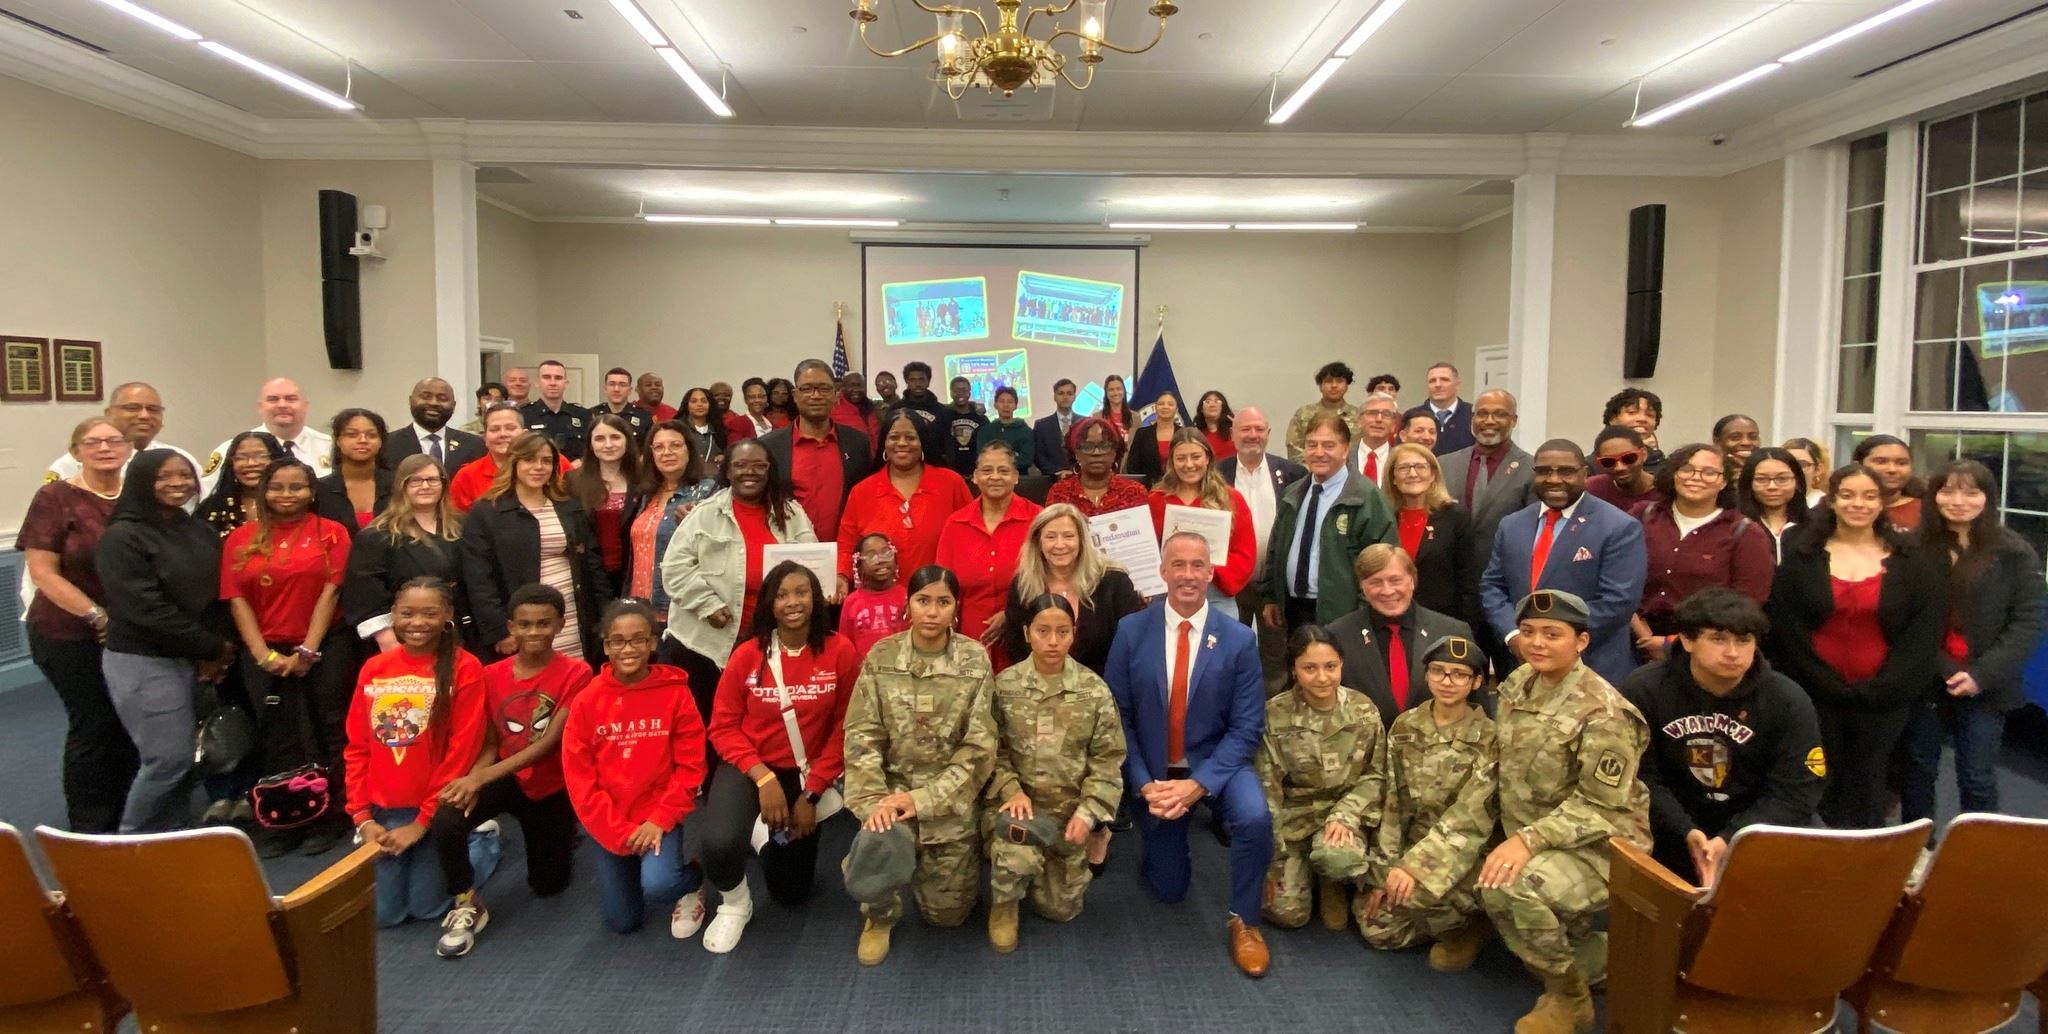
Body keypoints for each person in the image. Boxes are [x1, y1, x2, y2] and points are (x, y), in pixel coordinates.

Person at [1479, 590, 1651, 1034]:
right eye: (1530, 632)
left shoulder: (1606, 713)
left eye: (1553, 634)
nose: (1537, 643)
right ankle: (1611, 956)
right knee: (1485, 878)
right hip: (1545, 835)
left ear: (1581, 642)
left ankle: (1569, 997)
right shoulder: (1518, 684)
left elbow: (1598, 806)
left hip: (1606, 844)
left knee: (1509, 886)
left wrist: (1525, 841)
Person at [1105, 533, 1274, 977]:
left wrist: (1199, 784)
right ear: (1162, 571)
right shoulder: (1130, 630)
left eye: (1197, 565)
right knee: (1168, 889)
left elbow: (1247, 726)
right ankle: (1159, 837)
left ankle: (1246, 920)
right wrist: (1142, 783)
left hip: (1216, 763)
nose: (1187, 575)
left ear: (1210, 573)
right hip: (1155, 771)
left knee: (1255, 817)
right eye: (1177, 565)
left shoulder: (1237, 640)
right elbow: (1117, 716)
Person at [1765, 464, 1942, 829]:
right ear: (1832, 501)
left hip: (1885, 699)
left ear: (1882, 503)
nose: (1857, 504)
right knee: (1814, 782)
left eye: (1868, 496)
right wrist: (1825, 684)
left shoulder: (1913, 559)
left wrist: (1882, 689)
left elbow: (1922, 635)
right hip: (1814, 693)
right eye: (1847, 495)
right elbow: (1787, 628)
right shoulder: (1802, 555)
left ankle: (1864, 867)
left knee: (1870, 784)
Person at [700, 562, 859, 953]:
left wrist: (813, 794)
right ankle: (736, 905)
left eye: (802, 592)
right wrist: (763, 779)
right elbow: (722, 727)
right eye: (783, 594)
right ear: (769, 603)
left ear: (815, 597)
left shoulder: (840, 650)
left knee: (791, 893)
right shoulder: (747, 655)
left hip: (808, 772)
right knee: (718, 844)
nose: (793, 602)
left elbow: (846, 728)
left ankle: (764, 837)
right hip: (750, 766)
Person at [843, 566, 997, 965]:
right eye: (923, 600)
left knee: (948, 917)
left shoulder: (974, 659)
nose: (932, 612)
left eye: (943, 602)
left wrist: (925, 798)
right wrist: (876, 804)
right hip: (888, 797)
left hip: (946, 801)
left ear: (956, 609)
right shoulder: (883, 656)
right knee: (877, 847)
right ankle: (879, 915)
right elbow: (862, 734)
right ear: (908, 605)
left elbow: (979, 749)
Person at [1621, 588, 1824, 887]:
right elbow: (1640, 776)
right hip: (1667, 825)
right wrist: (1685, 831)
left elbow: (1795, 791)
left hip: (1758, 827)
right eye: (1718, 639)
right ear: (1688, 640)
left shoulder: (1788, 700)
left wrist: (1732, 838)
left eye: (1744, 641)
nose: (1733, 653)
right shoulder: (1644, 690)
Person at [430, 583, 591, 958]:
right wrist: (474, 779)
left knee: (549, 885)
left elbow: (548, 743)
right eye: (525, 624)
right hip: (503, 777)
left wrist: (480, 776)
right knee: (448, 817)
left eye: (543, 624)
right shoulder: (490, 675)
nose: (534, 632)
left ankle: (562, 830)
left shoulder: (578, 673)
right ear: (511, 627)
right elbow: (490, 743)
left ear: (560, 625)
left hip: (551, 786)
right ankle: (466, 899)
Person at [1901, 459, 2046, 828]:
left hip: (1988, 684)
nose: (1958, 500)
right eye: (1947, 490)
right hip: (1924, 678)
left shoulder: (2014, 552)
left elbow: (2028, 620)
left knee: (1977, 776)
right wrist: (1946, 668)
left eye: (1971, 491)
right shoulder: (1911, 547)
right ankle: (1916, 852)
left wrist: (1980, 675)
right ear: (1933, 496)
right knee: (1917, 772)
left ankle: (1974, 859)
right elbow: (1901, 617)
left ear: (1988, 497)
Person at [222, 457, 354, 857]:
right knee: (276, 734)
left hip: (325, 644)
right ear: (264, 491)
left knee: (328, 729)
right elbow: (236, 599)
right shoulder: (240, 538)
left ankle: (330, 816)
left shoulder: (332, 533)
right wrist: (263, 655)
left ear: (312, 492)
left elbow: (331, 593)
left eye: (296, 487)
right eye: (277, 487)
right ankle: (283, 816)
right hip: (263, 651)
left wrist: (307, 651)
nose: (286, 494)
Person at [344, 578, 493, 929]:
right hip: (384, 810)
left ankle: (482, 840)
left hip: (432, 807)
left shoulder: (465, 666)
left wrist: (423, 821)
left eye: (429, 613)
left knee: (427, 908)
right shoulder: (374, 668)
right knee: (387, 915)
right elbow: (357, 746)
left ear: (448, 615)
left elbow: (462, 750)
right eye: (407, 613)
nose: (417, 622)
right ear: (393, 614)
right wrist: (362, 818)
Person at [96, 448, 230, 834]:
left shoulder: (196, 528)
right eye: (164, 477)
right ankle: (130, 841)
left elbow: (216, 593)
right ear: (142, 482)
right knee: (167, 760)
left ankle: (171, 839)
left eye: (184, 476)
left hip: (194, 657)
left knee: (190, 759)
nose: (177, 484)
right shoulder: (122, 537)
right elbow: (143, 609)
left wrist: (213, 648)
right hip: (144, 660)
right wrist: (210, 647)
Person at [984, 594, 1126, 951]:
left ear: (1073, 634)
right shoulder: (1004, 686)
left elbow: (1108, 759)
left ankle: (1044, 868)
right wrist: (1010, 789)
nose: (1052, 640)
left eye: (1062, 632)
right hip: (1020, 807)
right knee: (1016, 852)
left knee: (1061, 910)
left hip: (1068, 815)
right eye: (1043, 631)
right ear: (1027, 632)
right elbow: (990, 752)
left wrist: (1089, 812)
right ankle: (1004, 905)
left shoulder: (1093, 690)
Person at [561, 600, 710, 936]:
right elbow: (579, 779)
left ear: (653, 643)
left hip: (658, 815)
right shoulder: (588, 700)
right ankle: (635, 864)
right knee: (623, 922)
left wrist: (659, 820)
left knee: (659, 886)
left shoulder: (675, 692)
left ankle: (692, 878)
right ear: (606, 646)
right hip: (610, 820)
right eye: (618, 641)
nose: (628, 649)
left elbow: (691, 767)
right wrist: (618, 832)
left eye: (638, 639)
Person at [18, 418, 135, 833]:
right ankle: (90, 827)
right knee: (95, 724)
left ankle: (129, 818)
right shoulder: (56, 498)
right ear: (76, 450)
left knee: (129, 723)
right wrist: (96, 615)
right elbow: (43, 572)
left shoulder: (136, 497)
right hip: (68, 633)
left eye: (113, 441)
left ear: (127, 448)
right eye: (93, 442)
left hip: (130, 634)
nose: (105, 448)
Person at [1359, 634, 1497, 969]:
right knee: (1378, 929)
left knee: (1414, 895)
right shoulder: (1406, 726)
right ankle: (1441, 917)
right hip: (1413, 842)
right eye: (1438, 671)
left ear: (1477, 681)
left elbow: (1470, 819)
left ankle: (1472, 926)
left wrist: (1413, 869)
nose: (1446, 681)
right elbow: (1391, 802)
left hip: (1463, 852)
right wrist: (1386, 869)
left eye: (1459, 674)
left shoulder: (1491, 738)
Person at [662, 439, 819, 721]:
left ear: (771, 470)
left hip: (769, 638)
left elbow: (812, 568)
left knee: (759, 719)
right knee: (704, 719)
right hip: (706, 643)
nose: (751, 472)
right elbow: (675, 568)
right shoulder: (703, 514)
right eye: (741, 465)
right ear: (727, 470)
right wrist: (706, 604)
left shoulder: (792, 514)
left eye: (760, 466)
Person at [1479, 439, 1648, 686]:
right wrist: (1515, 635)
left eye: (1566, 471)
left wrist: (1552, 639)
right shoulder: (1512, 524)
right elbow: (1493, 586)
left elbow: (1618, 601)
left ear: (1585, 473)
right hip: (1524, 667)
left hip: (1592, 670)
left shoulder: (1619, 527)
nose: (1554, 479)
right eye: (1544, 471)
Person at [1255, 625, 1385, 932]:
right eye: (1309, 668)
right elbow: (1267, 790)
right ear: (1294, 669)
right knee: (1287, 913)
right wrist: (1269, 862)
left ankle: (1332, 879)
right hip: (1294, 819)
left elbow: (1377, 773)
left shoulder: (1362, 709)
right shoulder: (1275, 714)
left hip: (1341, 817)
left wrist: (1346, 814)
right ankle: (1305, 872)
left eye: (1330, 666)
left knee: (1337, 859)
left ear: (1342, 663)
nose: (1322, 677)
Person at [462, 432, 612, 663]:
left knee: (574, 679)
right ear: (514, 463)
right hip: (523, 625)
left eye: (546, 461)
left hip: (572, 617)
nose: (538, 467)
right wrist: (499, 630)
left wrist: (605, 618)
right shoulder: (487, 512)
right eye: (529, 460)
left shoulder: (569, 506)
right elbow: (479, 579)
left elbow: (593, 566)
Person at [1629, 444, 1776, 662]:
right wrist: (1643, 635)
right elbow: (1617, 579)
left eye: (1709, 473)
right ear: (1674, 474)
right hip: (1631, 639)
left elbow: (1748, 603)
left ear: (1723, 481)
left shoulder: (1745, 533)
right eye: (1687, 469)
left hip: (1707, 646)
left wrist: (1673, 643)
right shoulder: (1643, 515)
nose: (1696, 478)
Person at [1261, 413, 1399, 630]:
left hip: (1343, 614)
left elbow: (1382, 562)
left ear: (1346, 449)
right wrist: (1270, 596)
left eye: (1328, 445)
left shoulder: (1367, 497)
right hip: (1293, 609)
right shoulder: (1292, 494)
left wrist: (1365, 612)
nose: (1318, 453)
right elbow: (1275, 548)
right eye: (1311, 445)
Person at [1328, 544, 1476, 725]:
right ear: (1362, 587)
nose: (1387, 591)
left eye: (1395, 580)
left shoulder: (1453, 632)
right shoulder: (1338, 635)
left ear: (1412, 581)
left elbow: (1476, 710)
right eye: (1375, 582)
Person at [1218, 407, 1307, 688]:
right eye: (1245, 429)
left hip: (1276, 584)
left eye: (1259, 429)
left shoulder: (1293, 473)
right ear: (1232, 435)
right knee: (1227, 652)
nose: (1252, 435)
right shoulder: (1216, 474)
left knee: (1276, 657)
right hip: (1230, 583)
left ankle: (1272, 716)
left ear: (1268, 434)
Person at [837, 409, 972, 590]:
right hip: (880, 604)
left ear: (922, 442)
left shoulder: (951, 483)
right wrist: (842, 576)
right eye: (894, 438)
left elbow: (972, 535)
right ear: (883, 443)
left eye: (910, 437)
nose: (902, 443)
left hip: (939, 599)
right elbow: (846, 545)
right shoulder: (861, 491)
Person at [345, 455, 466, 655]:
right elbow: (365, 596)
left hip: (457, 635)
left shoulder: (463, 527)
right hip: (401, 640)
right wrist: (391, 646)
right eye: (415, 481)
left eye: (432, 480)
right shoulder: (377, 536)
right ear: (402, 486)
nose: (425, 486)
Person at [936, 441, 1042, 649]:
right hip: (968, 640)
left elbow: (1051, 578)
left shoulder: (1037, 518)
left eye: (1003, 471)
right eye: (987, 470)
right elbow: (942, 585)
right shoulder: (955, 524)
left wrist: (1012, 614)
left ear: (1016, 477)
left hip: (1025, 634)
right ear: (975, 477)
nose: (994, 477)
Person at [619, 421, 719, 637]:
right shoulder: (645, 494)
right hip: (640, 608)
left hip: (682, 609)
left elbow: (716, 551)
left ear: (689, 450)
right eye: (659, 447)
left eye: (675, 445)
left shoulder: (708, 492)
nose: (667, 453)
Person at [758, 359, 873, 543]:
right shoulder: (770, 446)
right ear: (795, 395)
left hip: (845, 552)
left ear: (836, 395)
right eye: (807, 388)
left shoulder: (857, 443)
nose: (816, 395)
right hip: (787, 552)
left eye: (824, 388)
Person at [1148, 428, 1258, 614]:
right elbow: (1147, 550)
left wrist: (1207, 565)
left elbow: (1245, 553)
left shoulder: (1230, 499)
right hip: (1167, 596)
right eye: (1181, 458)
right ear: (1171, 463)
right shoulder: (1156, 500)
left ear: (1207, 458)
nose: (1189, 464)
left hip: (1215, 594)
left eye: (1196, 456)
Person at [1383, 443, 1480, 625]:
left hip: (1442, 622)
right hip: (1391, 619)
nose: (1412, 474)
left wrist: (1467, 630)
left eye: (1420, 467)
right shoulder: (1384, 517)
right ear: (1393, 477)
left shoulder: (1455, 517)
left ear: (1433, 475)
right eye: (1404, 468)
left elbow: (1467, 583)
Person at [1436, 388, 1535, 552]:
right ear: (1472, 418)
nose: (1489, 421)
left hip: (1502, 568)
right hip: (1451, 569)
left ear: (1514, 420)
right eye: (1482, 414)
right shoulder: (1445, 464)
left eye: (1500, 414)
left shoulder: (1530, 469)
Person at [43, 381, 198, 482]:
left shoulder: (180, 458)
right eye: (132, 408)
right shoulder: (78, 460)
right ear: (109, 414)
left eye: (153, 409)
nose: (144, 415)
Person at [565, 414, 648, 596]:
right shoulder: (573, 481)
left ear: (627, 440)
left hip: (635, 573)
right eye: (600, 439)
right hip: (590, 577)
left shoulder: (644, 480)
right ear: (590, 444)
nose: (608, 445)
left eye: (615, 437)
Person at [204, 376, 333, 491]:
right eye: (273, 399)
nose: (282, 405)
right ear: (259, 407)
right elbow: (208, 492)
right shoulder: (232, 449)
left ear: (306, 406)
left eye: (291, 399)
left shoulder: (329, 446)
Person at [449, 402, 568, 514]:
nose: (503, 434)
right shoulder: (467, 476)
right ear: (484, 438)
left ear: (525, 433)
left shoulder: (554, 462)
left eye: (510, 428)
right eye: (495, 429)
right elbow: (457, 524)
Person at [1044, 416, 1149, 517]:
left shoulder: (1134, 491)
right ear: (1076, 453)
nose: (1096, 453)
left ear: (1115, 453)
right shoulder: (1060, 493)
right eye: (1087, 446)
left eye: (1104, 446)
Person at [384, 377, 485, 478]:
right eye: (426, 397)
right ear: (410, 401)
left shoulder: (474, 445)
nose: (433, 403)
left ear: (454, 405)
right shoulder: (387, 444)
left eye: (442, 399)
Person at [314, 408, 393, 536]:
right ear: (338, 440)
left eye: (371, 435)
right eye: (352, 435)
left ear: (381, 442)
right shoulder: (321, 490)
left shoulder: (398, 485)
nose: (363, 440)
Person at [197, 431, 285, 539]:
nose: (251, 463)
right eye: (240, 458)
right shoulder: (212, 508)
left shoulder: (295, 504)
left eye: (260, 456)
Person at [839, 533, 906, 660]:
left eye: (886, 553)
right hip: (864, 676)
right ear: (859, 566)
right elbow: (846, 646)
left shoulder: (906, 596)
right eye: (871, 556)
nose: (880, 560)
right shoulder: (851, 602)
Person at [1737, 447, 1810, 560]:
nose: (1772, 487)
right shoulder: (1736, 527)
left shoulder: (1813, 525)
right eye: (1761, 479)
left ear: (1797, 482)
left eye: (1782, 479)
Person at [1286, 361, 1362, 462]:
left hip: (1350, 473)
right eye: (1328, 381)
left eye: (1339, 381)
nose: (1334, 385)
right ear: (1320, 386)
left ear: (1347, 385)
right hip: (1311, 473)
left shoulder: (1359, 415)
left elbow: (1364, 450)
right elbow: (1294, 449)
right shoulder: (1304, 414)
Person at [521, 360, 593, 462]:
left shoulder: (583, 415)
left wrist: (582, 461)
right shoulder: (523, 415)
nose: (553, 383)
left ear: (566, 383)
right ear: (537, 383)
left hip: (574, 475)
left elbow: (593, 448)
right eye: (546, 377)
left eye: (558, 378)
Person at [1583, 426, 1663, 515]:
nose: (1620, 468)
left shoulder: (1667, 491)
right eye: (1608, 462)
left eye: (1628, 458)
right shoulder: (1593, 489)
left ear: (1644, 454)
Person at [1852, 434, 1922, 530]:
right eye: (1881, 462)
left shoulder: (1927, 511)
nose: (1892, 469)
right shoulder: (1838, 507)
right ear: (1857, 465)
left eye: (1901, 463)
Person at [1403, 363, 1474, 456]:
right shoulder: (1413, 416)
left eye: (1444, 380)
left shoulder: (1473, 414)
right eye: (1432, 381)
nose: (1438, 385)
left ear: (1457, 385)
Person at [974, 385, 1036, 474]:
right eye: (1002, 401)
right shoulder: (985, 431)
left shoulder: (1025, 431)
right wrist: (1013, 454)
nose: (1006, 405)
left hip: (1020, 478)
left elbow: (1026, 460)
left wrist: (996, 458)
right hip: (991, 477)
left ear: (1015, 406)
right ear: (995, 405)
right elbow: (982, 457)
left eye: (1010, 402)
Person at [1031, 377, 1081, 475]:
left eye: (1069, 393)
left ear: (1074, 397)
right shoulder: (1042, 426)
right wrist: (1056, 473)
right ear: (1054, 396)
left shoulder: (1085, 423)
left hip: (1080, 477)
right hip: (1051, 479)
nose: (1065, 397)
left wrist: (1075, 472)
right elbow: (1038, 456)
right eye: (1061, 393)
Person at [943, 377, 990, 479]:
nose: (960, 393)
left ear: (969, 392)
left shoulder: (981, 418)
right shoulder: (944, 416)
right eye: (956, 390)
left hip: (977, 473)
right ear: (951, 393)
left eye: (964, 390)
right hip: (952, 472)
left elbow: (988, 445)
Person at [1347, 392, 1400, 482]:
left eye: (1386, 414)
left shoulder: (1400, 459)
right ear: (1359, 421)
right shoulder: (1343, 457)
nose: (1379, 419)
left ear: (1394, 425)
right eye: (1372, 413)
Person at [1603, 387, 1664, 463]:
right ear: (1613, 418)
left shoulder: (1665, 466)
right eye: (1632, 412)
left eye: (1650, 415)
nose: (1642, 419)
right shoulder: (1592, 466)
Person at [594, 367, 654, 440]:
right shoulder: (592, 414)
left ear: (629, 390)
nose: (616, 389)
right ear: (605, 389)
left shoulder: (644, 417)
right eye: (612, 384)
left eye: (622, 385)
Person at [679, 387, 729, 472]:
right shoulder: (679, 429)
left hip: (712, 479)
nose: (699, 404)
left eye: (704, 401)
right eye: (694, 401)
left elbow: (724, 452)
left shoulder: (719, 429)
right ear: (686, 405)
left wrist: (722, 456)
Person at [832, 370, 882, 451]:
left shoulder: (873, 408)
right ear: (843, 387)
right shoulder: (833, 408)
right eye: (851, 386)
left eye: (860, 386)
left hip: (876, 460)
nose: (856, 389)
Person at [1711, 414, 1762, 486]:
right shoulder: (1707, 475)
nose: (1746, 443)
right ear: (1716, 441)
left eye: (1753, 437)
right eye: (1735, 437)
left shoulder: (1768, 474)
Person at [1783, 436, 1830, 509]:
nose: (1793, 469)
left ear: (1818, 469)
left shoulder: (1824, 505)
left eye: (1802, 464)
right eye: (1787, 463)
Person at [1193, 390, 1235, 462]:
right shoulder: (1195, 435)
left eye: (1217, 402)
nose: (1212, 405)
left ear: (1223, 407)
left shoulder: (1233, 430)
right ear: (1201, 409)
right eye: (1207, 402)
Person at [1099, 373, 1137, 441]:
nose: (1115, 393)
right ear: (1106, 393)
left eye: (1119, 389)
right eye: (1111, 390)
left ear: (1124, 391)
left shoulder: (1135, 417)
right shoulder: (1097, 417)